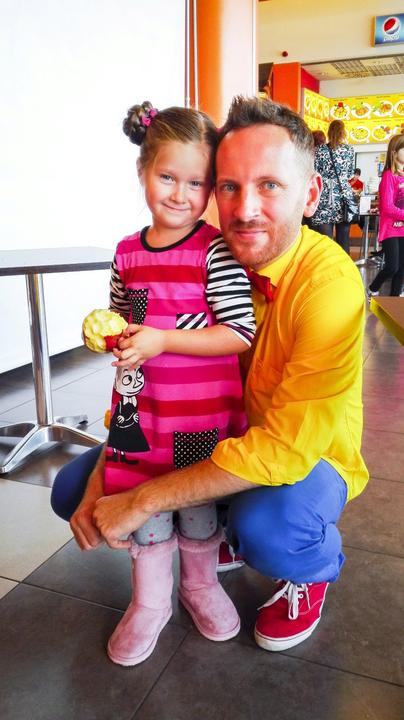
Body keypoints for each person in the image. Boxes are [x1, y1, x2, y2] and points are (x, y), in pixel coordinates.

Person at [52, 96, 368, 656]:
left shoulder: (328, 288)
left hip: (304, 455)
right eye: (228, 186)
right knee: (74, 490)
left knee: (269, 526)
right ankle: (202, 544)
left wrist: (142, 500)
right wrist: (107, 475)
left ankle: (309, 570)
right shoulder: (202, 258)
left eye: (270, 185)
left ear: (311, 194)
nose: (245, 209)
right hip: (199, 429)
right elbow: (143, 378)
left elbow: (284, 450)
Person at [52, 100, 256, 666]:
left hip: (199, 415)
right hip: (142, 412)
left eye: (197, 183)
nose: (181, 195)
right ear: (142, 170)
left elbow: (238, 332)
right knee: (143, 511)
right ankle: (148, 601)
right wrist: (109, 336)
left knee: (196, 505)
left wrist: (164, 339)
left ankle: (200, 584)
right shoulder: (126, 253)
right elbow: (124, 322)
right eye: (168, 177)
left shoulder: (214, 249)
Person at [310, 119, 356, 254]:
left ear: (329, 132)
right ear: (343, 132)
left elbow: (314, 172)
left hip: (324, 196)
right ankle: (345, 265)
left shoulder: (319, 150)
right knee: (344, 238)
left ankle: (326, 264)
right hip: (343, 196)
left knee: (325, 240)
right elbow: (350, 174)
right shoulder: (349, 150)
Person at [368, 133, 404, 297]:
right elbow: (387, 207)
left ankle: (394, 300)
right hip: (391, 229)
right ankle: (372, 289)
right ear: (395, 153)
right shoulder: (389, 176)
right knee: (392, 267)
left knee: (402, 269)